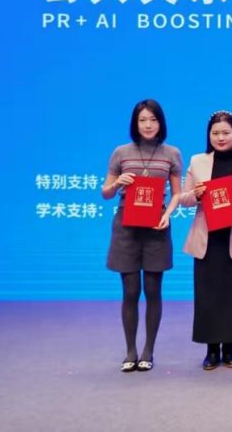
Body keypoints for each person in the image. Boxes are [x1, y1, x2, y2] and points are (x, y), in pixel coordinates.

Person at [177, 111, 232, 370]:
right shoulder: (197, 161)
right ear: (209, 136)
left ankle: (230, 348)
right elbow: (183, 198)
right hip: (207, 238)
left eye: (226, 132)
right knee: (207, 295)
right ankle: (211, 350)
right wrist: (196, 194)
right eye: (215, 133)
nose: (220, 137)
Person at [102, 99, 183, 373]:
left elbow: (177, 194)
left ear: (161, 123)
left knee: (152, 290)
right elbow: (105, 193)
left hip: (156, 226)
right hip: (126, 227)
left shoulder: (172, 153)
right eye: (142, 120)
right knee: (130, 291)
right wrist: (117, 183)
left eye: (153, 119)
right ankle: (130, 351)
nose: (148, 125)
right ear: (135, 124)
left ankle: (148, 350)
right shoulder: (121, 152)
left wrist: (167, 214)